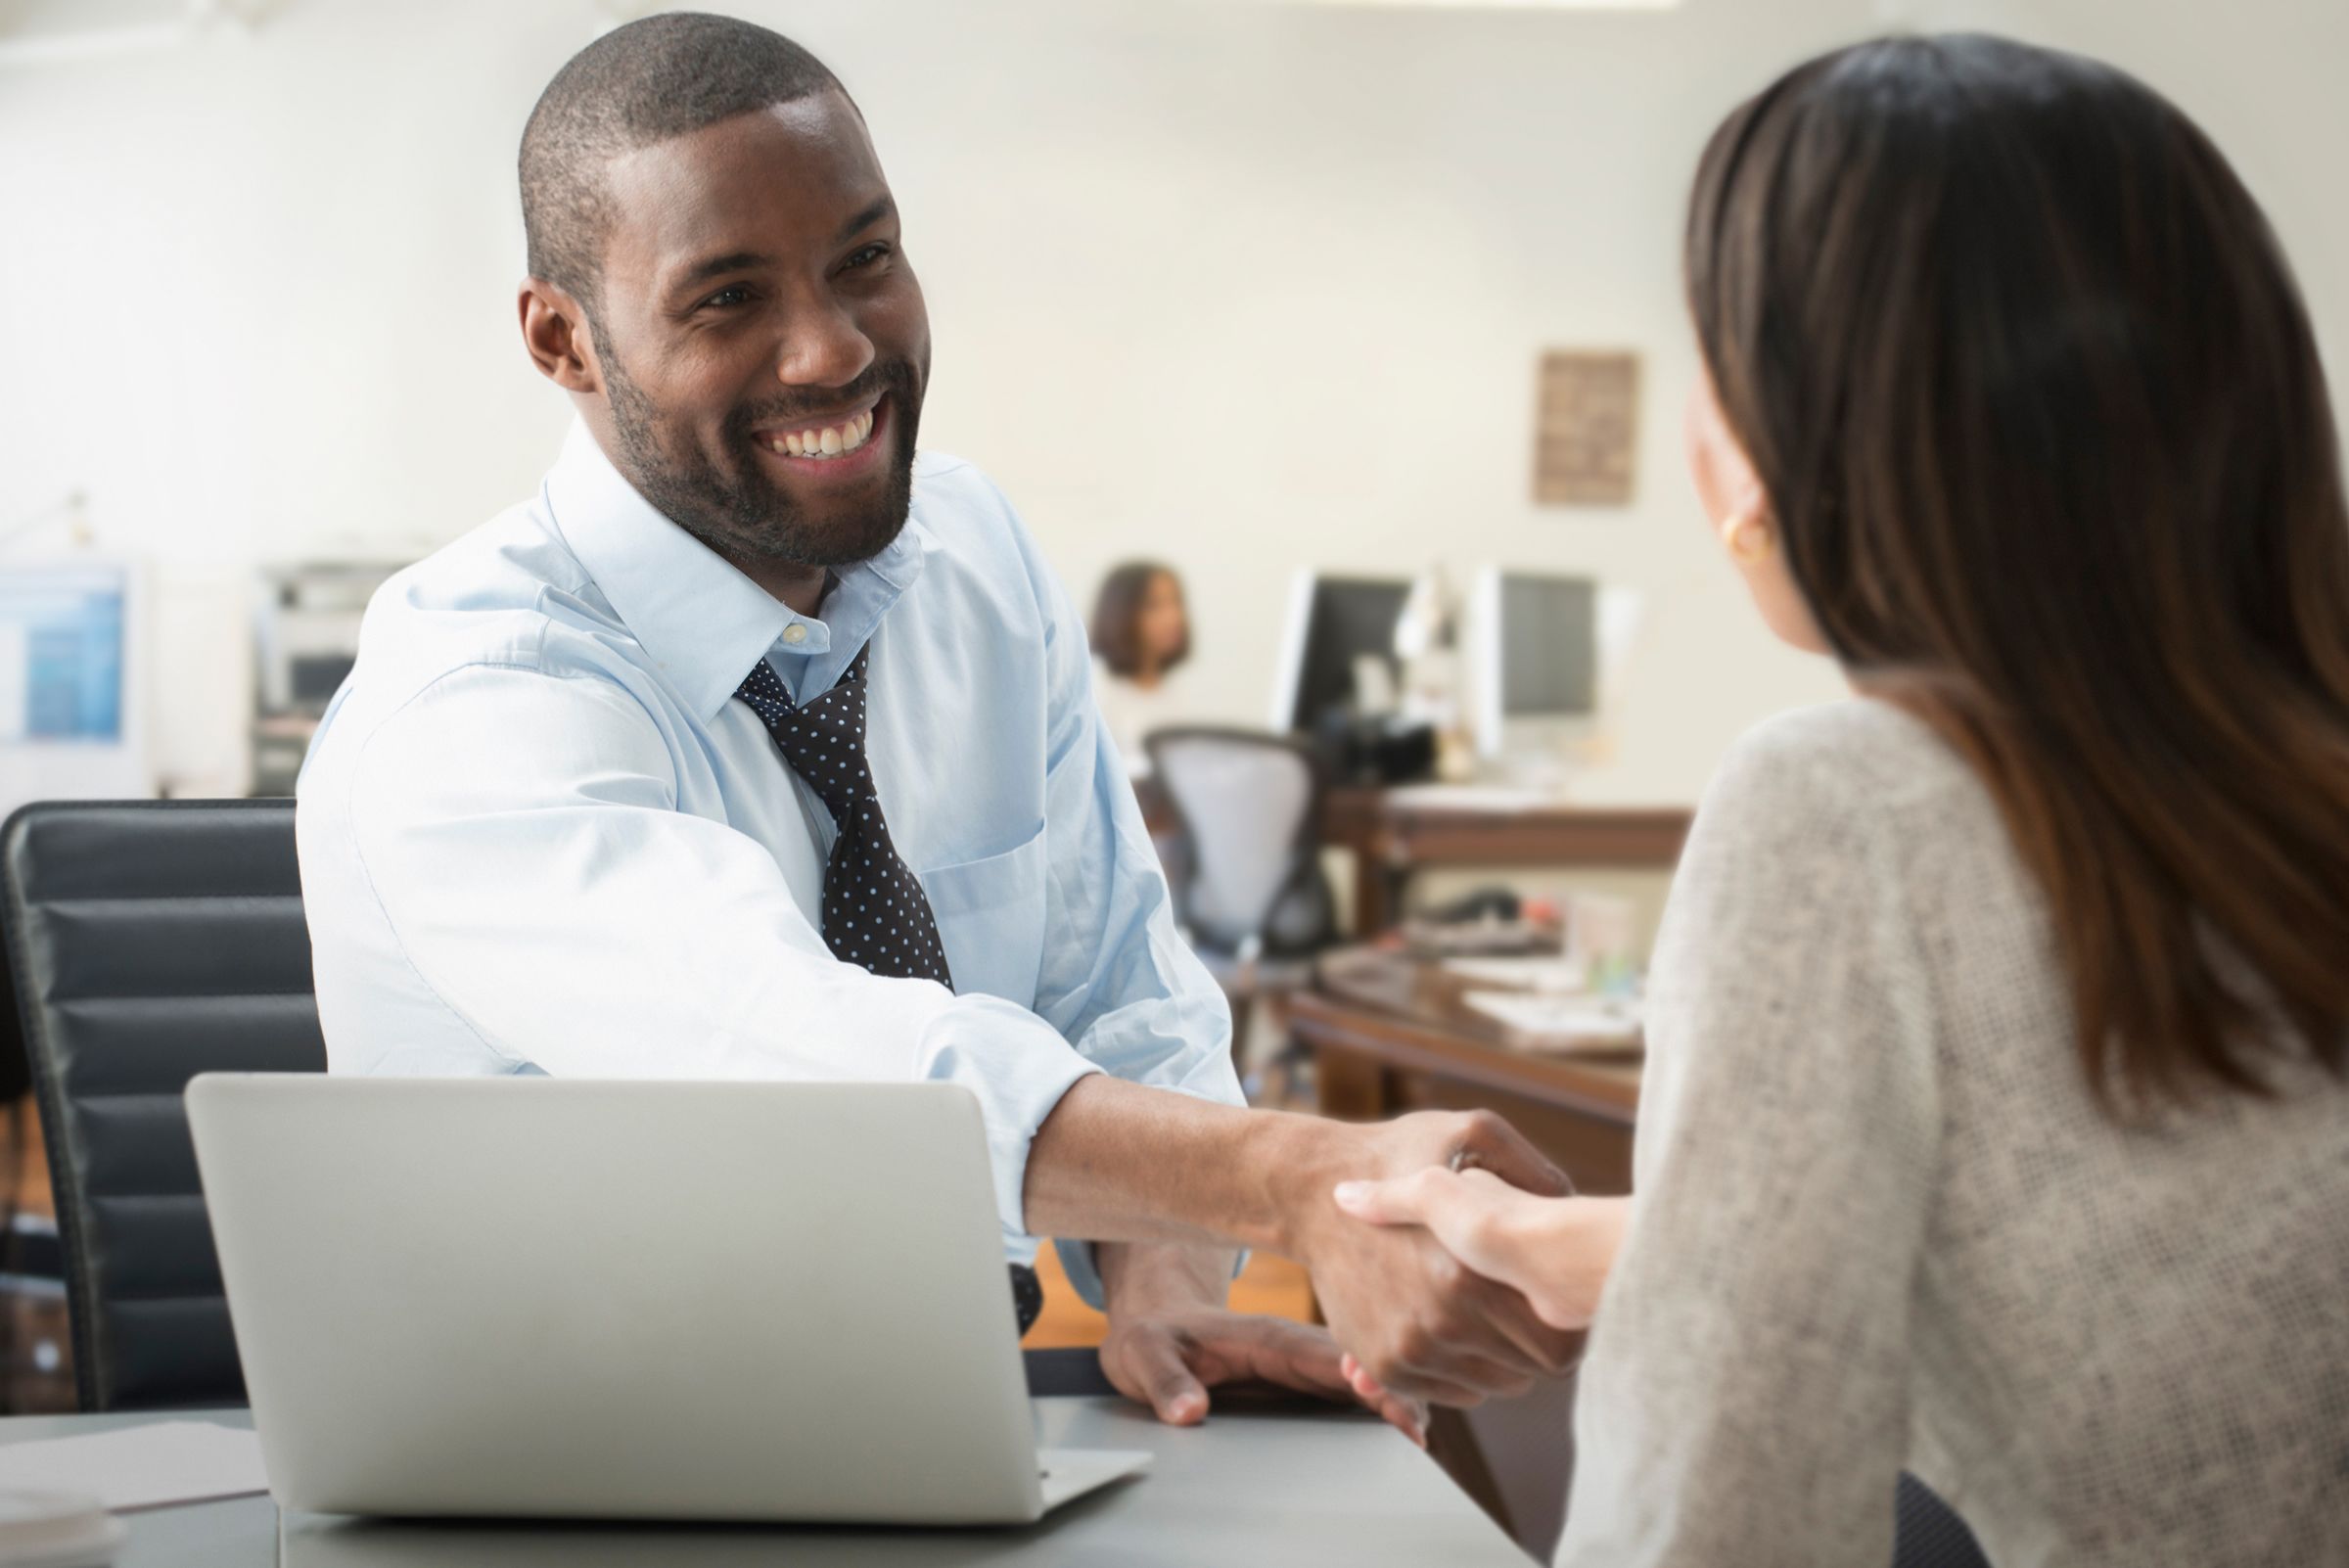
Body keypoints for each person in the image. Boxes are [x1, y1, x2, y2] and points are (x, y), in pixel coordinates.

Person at [294, 12, 1579, 1437]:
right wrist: (1289, 1175)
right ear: (564, 341)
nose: (833, 350)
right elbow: (809, 1059)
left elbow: (1116, 983)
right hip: (569, 1458)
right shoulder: (472, 695)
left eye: (866, 260)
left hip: (947, 1427)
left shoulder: (969, 551)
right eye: (726, 299)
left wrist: (1162, 1282)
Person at [1332, 33, 2349, 1566]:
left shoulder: (1847, 805)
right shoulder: (2266, 784)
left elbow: (1719, 1520)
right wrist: (1604, 1247)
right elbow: (2139, 1248)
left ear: (1796, 439)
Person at [1088, 561, 1191, 776]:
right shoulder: (1095, 684)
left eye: (1176, 602)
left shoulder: (1176, 692)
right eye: (1154, 606)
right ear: (1121, 612)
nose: (1173, 617)